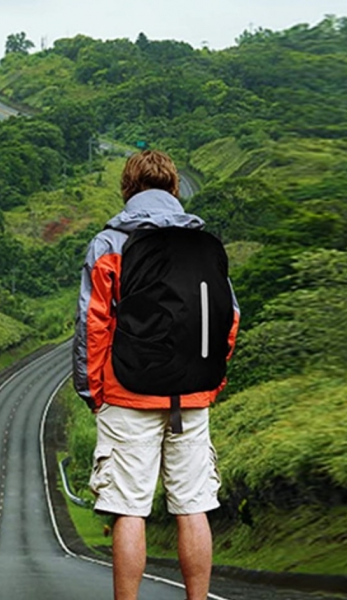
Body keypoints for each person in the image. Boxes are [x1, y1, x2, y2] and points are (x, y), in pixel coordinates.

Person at [72, 150, 240, 600]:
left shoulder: (110, 243)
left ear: (127, 190)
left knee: (129, 509)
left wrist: (93, 391)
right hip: (193, 393)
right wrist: (211, 382)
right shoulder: (203, 242)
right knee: (193, 506)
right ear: (174, 189)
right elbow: (230, 316)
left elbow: (94, 323)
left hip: (128, 393)